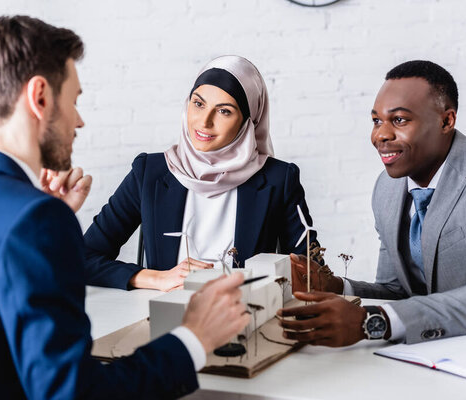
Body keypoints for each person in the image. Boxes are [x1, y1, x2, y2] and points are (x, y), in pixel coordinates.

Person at [0, 15, 250, 399]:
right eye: (73, 100)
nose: (79, 121)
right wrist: (194, 338)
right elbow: (74, 393)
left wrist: (47, 221)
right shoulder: (34, 220)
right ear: (40, 97)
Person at [279, 60, 466, 346]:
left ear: (446, 121)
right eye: (377, 120)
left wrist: (372, 321)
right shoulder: (387, 188)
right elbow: (399, 291)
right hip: (430, 351)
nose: (380, 135)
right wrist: (338, 287)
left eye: (400, 120)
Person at [84, 55, 319, 292]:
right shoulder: (149, 173)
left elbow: (312, 274)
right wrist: (158, 278)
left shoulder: (279, 179)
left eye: (224, 111)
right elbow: (83, 257)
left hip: (246, 318)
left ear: (249, 121)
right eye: (198, 104)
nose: (204, 122)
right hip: (162, 316)